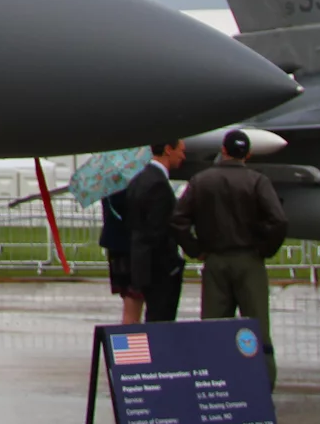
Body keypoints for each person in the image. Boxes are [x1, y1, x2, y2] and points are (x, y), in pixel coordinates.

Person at [173, 130, 289, 388]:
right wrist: (265, 249)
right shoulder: (257, 181)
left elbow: (178, 219)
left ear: (223, 150)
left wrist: (195, 249)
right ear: (247, 154)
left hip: (215, 262)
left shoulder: (201, 181)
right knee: (257, 327)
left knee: (213, 329)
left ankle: (214, 383)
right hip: (249, 261)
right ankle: (263, 384)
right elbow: (279, 220)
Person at [125, 140, 187, 322]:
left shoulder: (139, 179)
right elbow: (157, 231)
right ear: (168, 149)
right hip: (159, 270)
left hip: (142, 265)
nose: (183, 156)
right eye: (180, 151)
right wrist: (173, 265)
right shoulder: (158, 184)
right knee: (161, 321)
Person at [99, 187, 138, 323]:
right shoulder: (123, 187)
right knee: (132, 297)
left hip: (117, 243)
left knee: (130, 298)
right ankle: (128, 341)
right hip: (126, 245)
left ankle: (129, 338)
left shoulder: (109, 183)